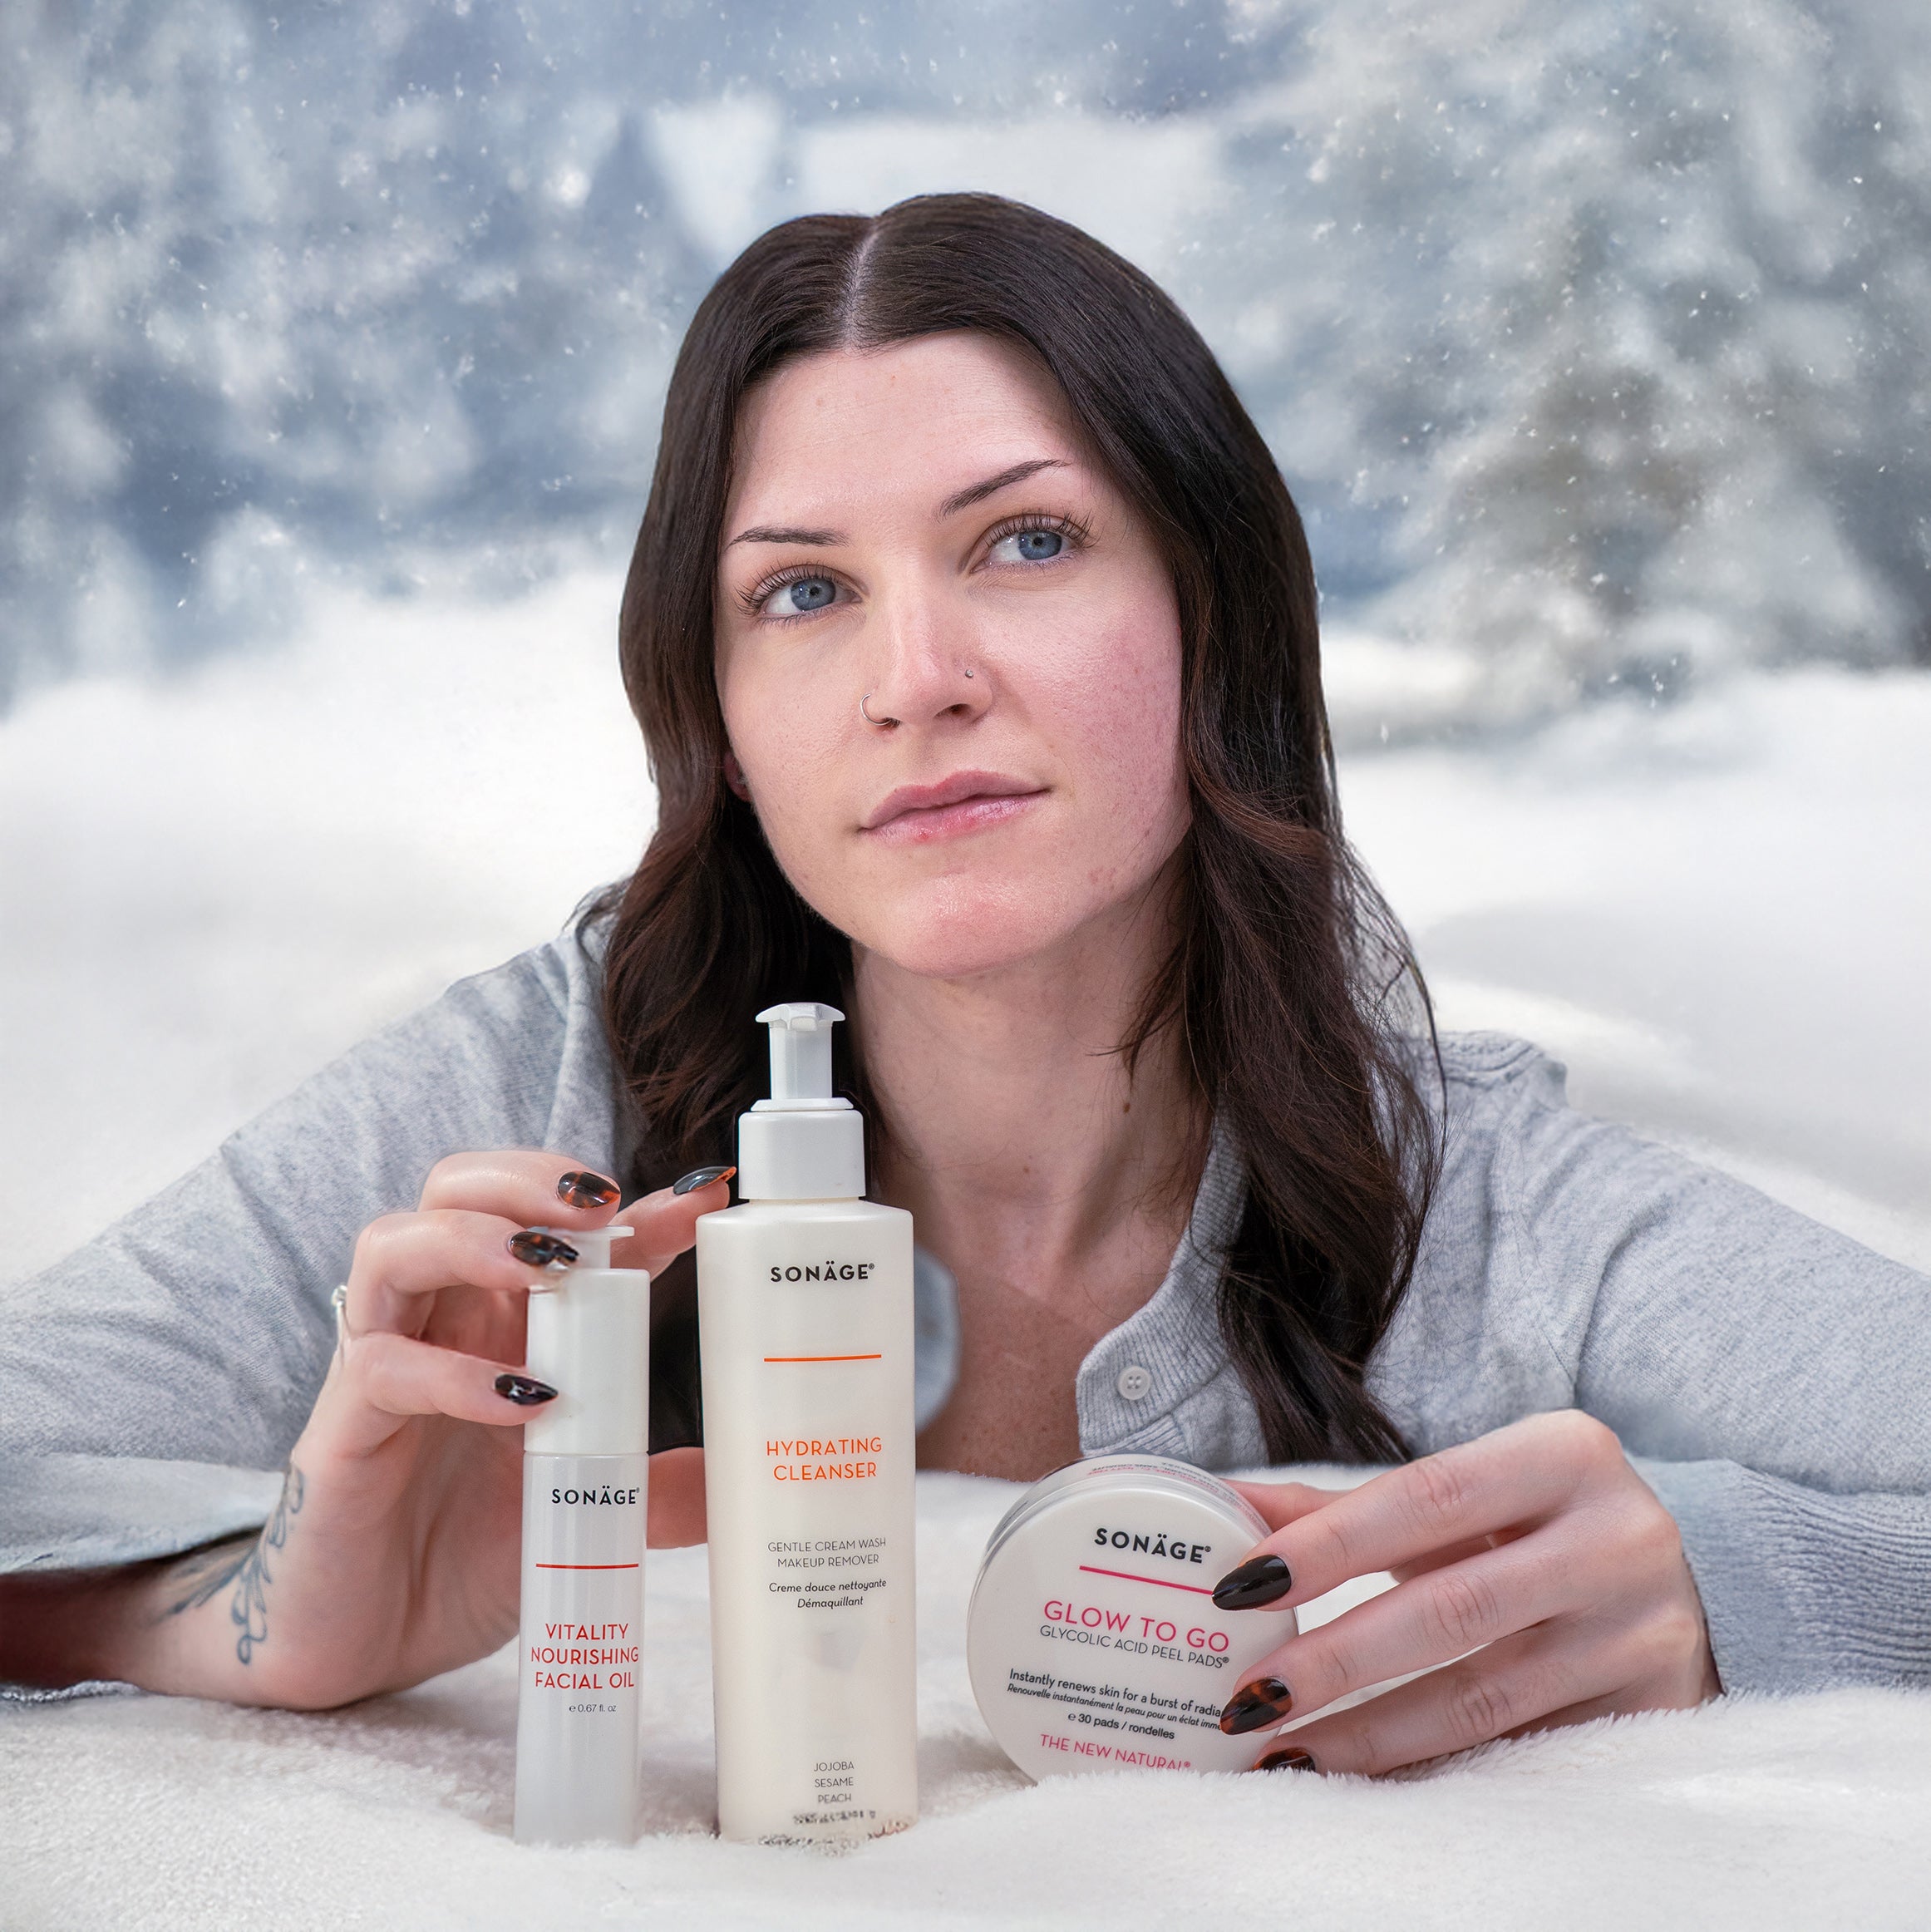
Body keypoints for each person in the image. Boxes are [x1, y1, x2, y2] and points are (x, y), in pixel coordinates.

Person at [2, 195, 1925, 1775]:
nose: (912, 675)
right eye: (802, 590)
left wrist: (1754, 1575)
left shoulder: (1484, 1205)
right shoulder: (537, 1114)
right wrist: (251, 1618)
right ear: (723, 720)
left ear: (1215, 621)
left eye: (1024, 540)